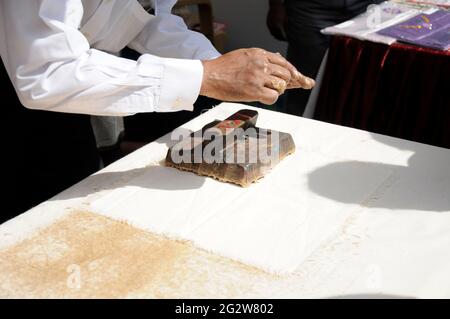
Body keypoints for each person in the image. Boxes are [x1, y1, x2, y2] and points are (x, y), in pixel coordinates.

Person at [0, 0, 314, 222]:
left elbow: (147, 19)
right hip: (19, 79)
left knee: (71, 192)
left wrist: (218, 63)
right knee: (28, 219)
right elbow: (44, 70)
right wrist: (207, 76)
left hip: (64, 82)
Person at [267, 0, 383, 116]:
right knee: (303, 84)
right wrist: (276, 5)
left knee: (361, 84)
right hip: (313, 8)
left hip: (367, 6)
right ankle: (295, 128)